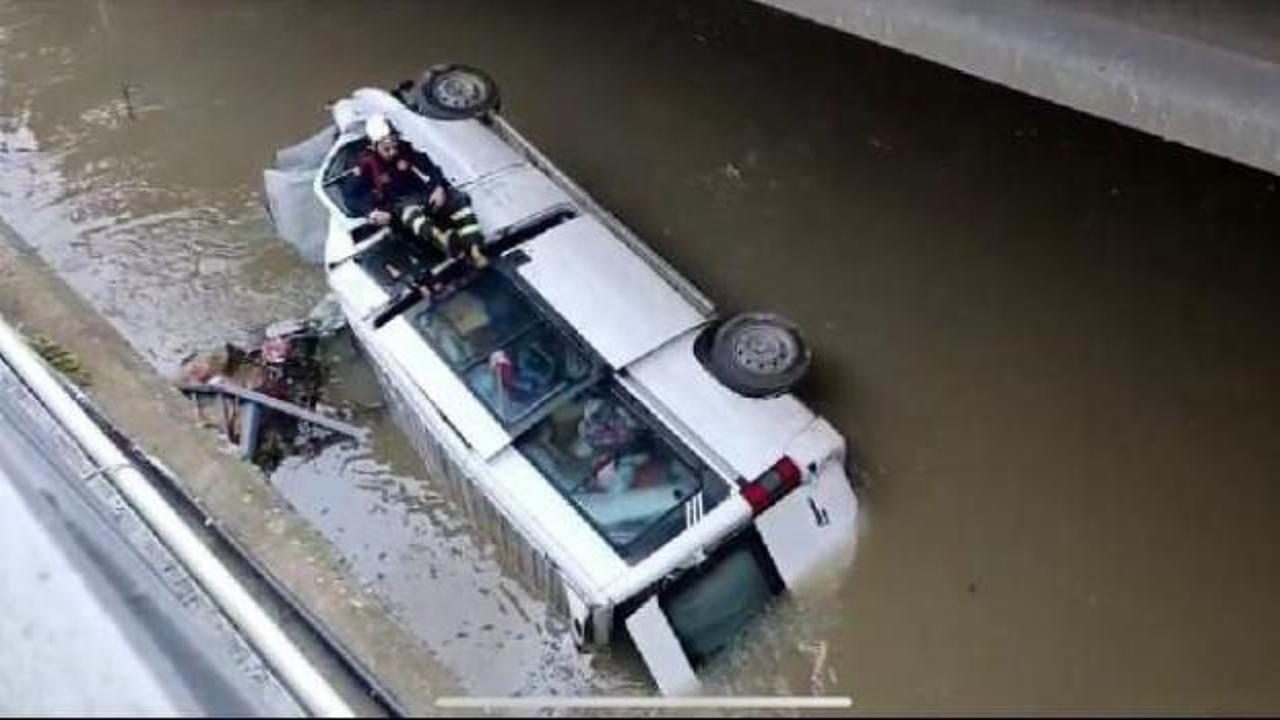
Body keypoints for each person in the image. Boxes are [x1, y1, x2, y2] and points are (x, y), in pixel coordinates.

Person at [346, 114, 486, 267]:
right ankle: (442, 240)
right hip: (397, 205)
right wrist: (371, 212)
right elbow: (352, 198)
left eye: (395, 146)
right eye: (387, 149)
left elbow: (430, 167)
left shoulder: (405, 149)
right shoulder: (364, 165)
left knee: (457, 199)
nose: (393, 152)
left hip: (423, 195)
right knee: (411, 213)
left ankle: (475, 250)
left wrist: (438, 187)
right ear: (374, 146)